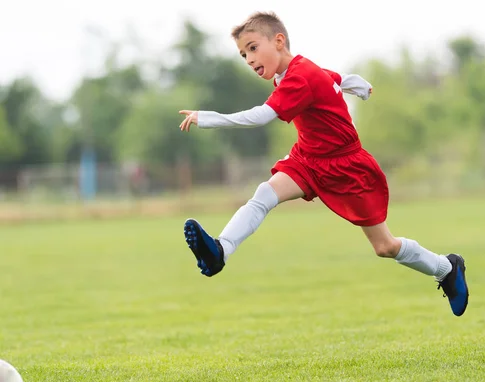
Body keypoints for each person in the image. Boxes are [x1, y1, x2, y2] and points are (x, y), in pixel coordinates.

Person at [178, 11, 469, 316]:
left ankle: (447, 268)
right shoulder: (293, 72)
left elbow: (262, 116)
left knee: (385, 247)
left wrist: (208, 118)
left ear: (278, 41)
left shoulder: (299, 77)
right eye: (242, 54)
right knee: (265, 194)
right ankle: (220, 251)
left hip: (346, 166)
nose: (248, 59)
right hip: (308, 159)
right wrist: (353, 83)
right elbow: (330, 77)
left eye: (252, 48)